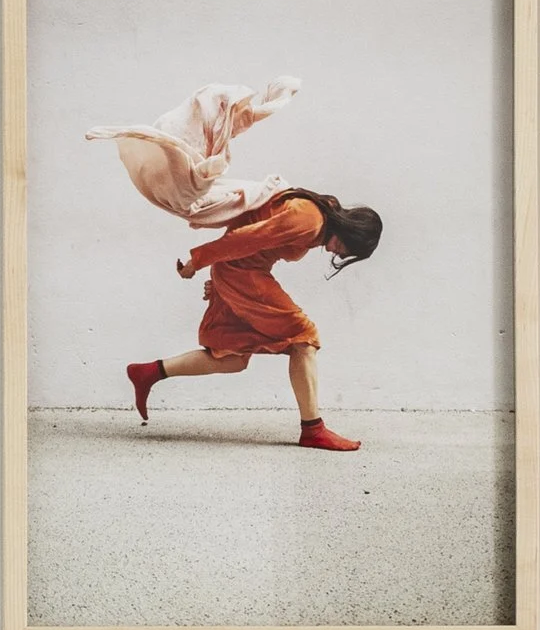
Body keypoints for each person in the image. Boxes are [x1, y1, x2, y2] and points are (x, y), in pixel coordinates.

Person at [128, 189, 383, 450]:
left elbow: (252, 230)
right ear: (349, 230)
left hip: (237, 272)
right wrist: (198, 261)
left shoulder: (318, 217)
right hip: (240, 272)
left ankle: (149, 372)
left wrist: (220, 282)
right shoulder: (310, 219)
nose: (338, 254)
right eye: (346, 248)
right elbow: (245, 238)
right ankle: (313, 430)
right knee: (304, 339)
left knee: (231, 358)